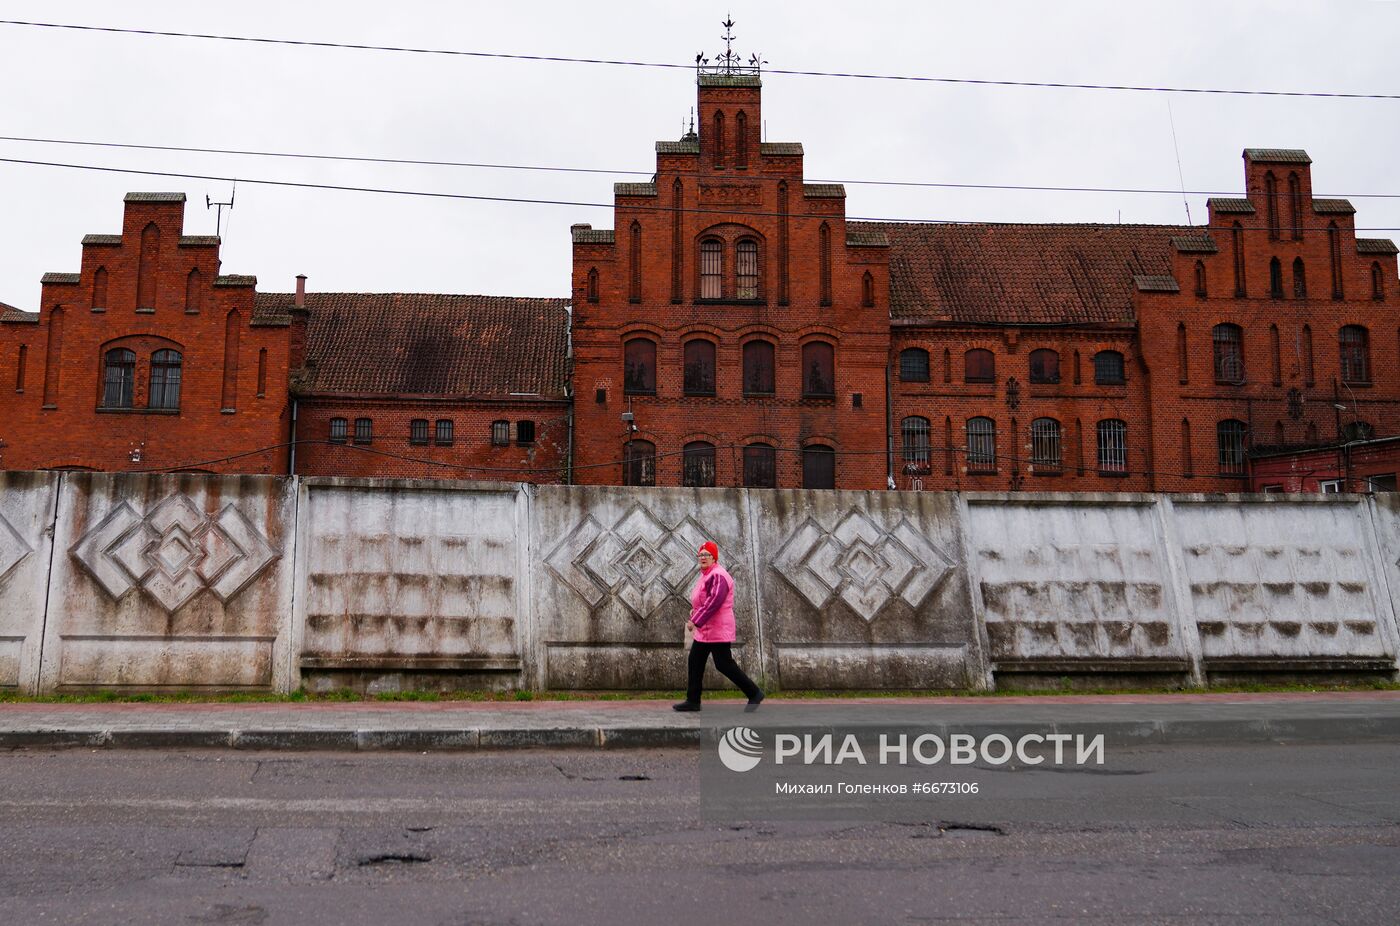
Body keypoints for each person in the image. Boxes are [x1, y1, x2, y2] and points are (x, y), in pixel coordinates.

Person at [673, 541, 765, 712]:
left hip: (717, 629)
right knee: (695, 660)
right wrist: (696, 611)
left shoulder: (718, 575)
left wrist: (696, 620)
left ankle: (754, 692)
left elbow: (714, 601)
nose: (703, 557)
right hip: (707, 629)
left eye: (707, 554)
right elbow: (704, 600)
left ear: (714, 558)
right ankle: (693, 700)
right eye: (701, 554)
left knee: (724, 664)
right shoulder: (707, 575)